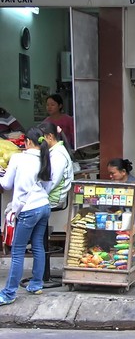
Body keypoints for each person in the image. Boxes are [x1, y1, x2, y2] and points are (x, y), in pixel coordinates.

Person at [0, 127, 53, 304]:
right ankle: (36, 284)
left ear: (27, 142)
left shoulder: (18, 158)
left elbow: (6, 184)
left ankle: (8, 293)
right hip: (44, 206)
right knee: (38, 245)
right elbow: (47, 186)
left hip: (28, 210)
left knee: (17, 251)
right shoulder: (46, 158)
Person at [107, 158, 135, 235]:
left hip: (134, 226)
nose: (110, 176)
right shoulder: (114, 185)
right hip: (118, 226)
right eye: (109, 173)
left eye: (113, 173)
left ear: (123, 172)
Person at [38, 122, 74, 209]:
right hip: (49, 194)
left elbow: (53, 181)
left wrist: (38, 193)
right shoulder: (55, 150)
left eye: (40, 140)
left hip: (54, 198)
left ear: (50, 136)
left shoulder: (58, 155)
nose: (39, 144)